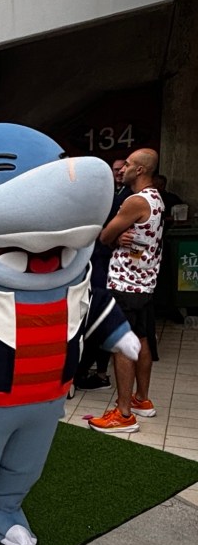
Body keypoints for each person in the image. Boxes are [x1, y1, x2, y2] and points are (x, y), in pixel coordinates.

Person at [89, 148, 165, 434]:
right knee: (142, 340)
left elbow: (105, 235)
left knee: (122, 345)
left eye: (129, 165)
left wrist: (116, 236)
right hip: (145, 283)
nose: (123, 169)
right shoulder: (156, 198)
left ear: (140, 170)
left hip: (125, 284)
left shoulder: (134, 201)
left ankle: (123, 414)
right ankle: (141, 400)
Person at [74, 156, 133, 391]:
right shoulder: (98, 198)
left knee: (98, 315)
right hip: (91, 263)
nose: (119, 172)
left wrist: (112, 238)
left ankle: (96, 372)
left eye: (123, 168)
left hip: (106, 266)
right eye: (116, 169)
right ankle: (90, 371)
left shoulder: (129, 198)